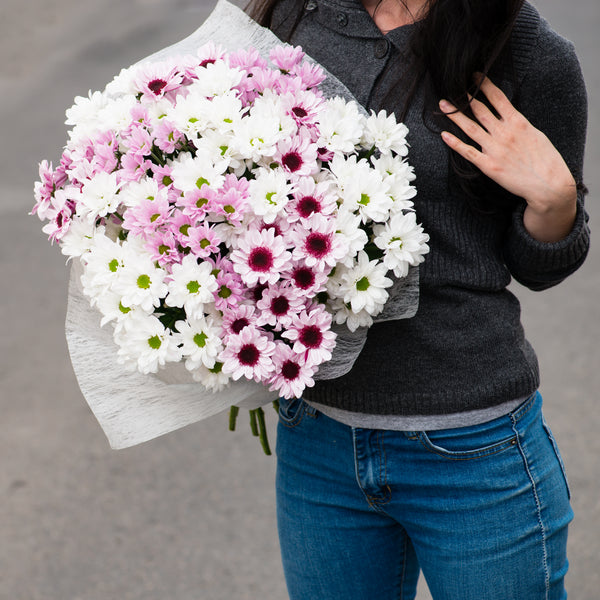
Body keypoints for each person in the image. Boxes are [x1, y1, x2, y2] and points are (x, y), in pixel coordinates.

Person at [246, 0, 590, 598]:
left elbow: (536, 267)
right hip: (320, 439)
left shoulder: (526, 52)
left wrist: (555, 204)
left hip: (473, 453)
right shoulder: (293, 15)